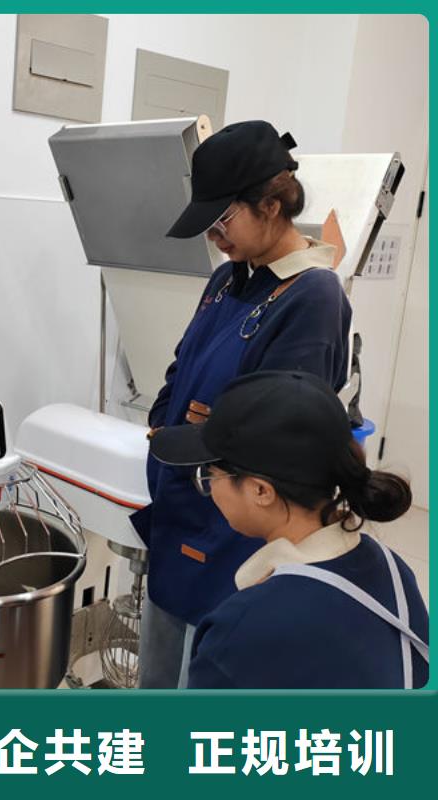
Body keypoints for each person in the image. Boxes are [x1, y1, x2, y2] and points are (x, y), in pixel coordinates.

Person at [130, 120, 353, 688]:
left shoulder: (313, 297)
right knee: (157, 678)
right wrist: (163, 427)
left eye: (222, 220)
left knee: (203, 686)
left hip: (234, 528)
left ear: (271, 206)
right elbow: (181, 371)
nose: (214, 237)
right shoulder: (228, 281)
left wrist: (195, 442)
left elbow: (279, 433)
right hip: (181, 510)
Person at [148, 370, 428, 689]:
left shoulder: (241, 632)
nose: (210, 489)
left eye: (209, 475)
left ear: (261, 491)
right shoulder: (395, 571)